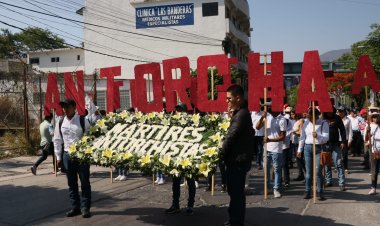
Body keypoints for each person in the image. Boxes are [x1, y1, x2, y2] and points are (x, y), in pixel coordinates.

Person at [221, 85, 255, 226]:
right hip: (237, 160)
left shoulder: (241, 115)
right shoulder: (239, 113)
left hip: (238, 161)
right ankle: (234, 219)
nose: (227, 101)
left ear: (238, 98)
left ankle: (236, 221)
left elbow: (230, 137)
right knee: (234, 192)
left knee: (236, 193)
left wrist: (219, 155)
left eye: (229, 98)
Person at [54, 99, 91, 218]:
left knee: (84, 182)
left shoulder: (82, 120)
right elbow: (57, 140)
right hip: (67, 156)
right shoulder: (60, 122)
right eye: (64, 107)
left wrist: (87, 151)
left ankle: (85, 207)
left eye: (67, 107)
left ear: (74, 108)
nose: (65, 109)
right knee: (71, 184)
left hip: (81, 156)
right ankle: (75, 207)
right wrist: (58, 157)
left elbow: (91, 136)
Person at [165, 102, 196, 215]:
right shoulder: (173, 123)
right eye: (177, 110)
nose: (178, 112)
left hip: (188, 156)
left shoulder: (192, 122)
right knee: (175, 182)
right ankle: (175, 205)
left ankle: (190, 206)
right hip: (176, 156)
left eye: (180, 110)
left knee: (190, 182)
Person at [297, 107, 329, 200]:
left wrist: (317, 136)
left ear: (316, 116)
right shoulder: (306, 123)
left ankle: (320, 192)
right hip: (307, 148)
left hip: (319, 148)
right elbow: (302, 137)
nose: (310, 119)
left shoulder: (323, 123)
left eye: (311, 117)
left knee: (318, 171)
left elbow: (326, 138)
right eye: (309, 117)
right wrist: (300, 150)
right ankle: (307, 191)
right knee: (308, 172)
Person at [256, 103, 286, 198]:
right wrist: (262, 118)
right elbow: (257, 127)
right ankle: (267, 188)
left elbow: (282, 136)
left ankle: (276, 189)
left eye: (271, 107)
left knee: (277, 169)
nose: (269, 109)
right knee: (266, 169)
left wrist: (270, 140)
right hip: (266, 148)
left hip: (276, 148)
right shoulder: (267, 117)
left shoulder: (282, 119)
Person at [323, 108, 347, 191]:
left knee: (339, 163)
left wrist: (343, 141)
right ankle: (328, 181)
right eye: (328, 111)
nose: (329, 113)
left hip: (336, 144)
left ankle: (342, 183)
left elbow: (342, 130)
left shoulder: (337, 118)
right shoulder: (322, 118)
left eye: (331, 111)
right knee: (327, 164)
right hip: (325, 144)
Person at [365, 112, 380, 195]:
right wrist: (368, 131)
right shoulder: (373, 127)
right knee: (375, 171)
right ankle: (373, 188)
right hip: (376, 152)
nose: (376, 119)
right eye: (375, 117)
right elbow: (367, 138)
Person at [337, 107, 353, 174]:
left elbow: (350, 131)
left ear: (344, 112)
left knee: (345, 154)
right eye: (339, 111)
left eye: (341, 111)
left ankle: (345, 168)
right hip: (337, 139)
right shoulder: (336, 119)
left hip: (345, 139)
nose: (340, 113)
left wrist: (350, 140)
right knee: (337, 154)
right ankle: (337, 167)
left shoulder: (348, 120)